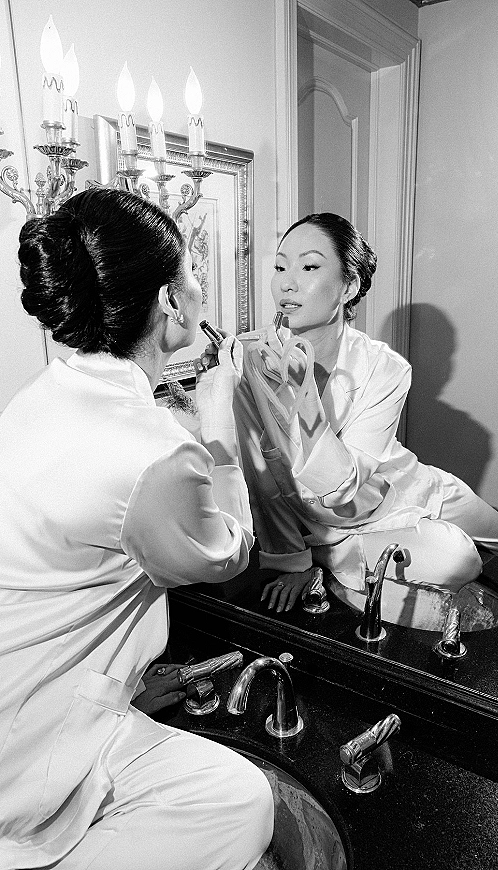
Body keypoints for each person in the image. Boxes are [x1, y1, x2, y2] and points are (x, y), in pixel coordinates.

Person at [0, 188, 273, 870]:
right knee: (244, 800)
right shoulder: (153, 450)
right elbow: (228, 552)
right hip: (30, 746)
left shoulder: (37, 397)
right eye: (192, 272)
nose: (200, 287)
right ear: (169, 301)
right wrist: (218, 423)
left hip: (28, 686)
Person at [233, 212, 498, 614]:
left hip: (398, 484)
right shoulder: (252, 361)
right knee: (459, 558)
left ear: (349, 286)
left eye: (309, 266)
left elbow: (348, 481)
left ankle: (356, 559)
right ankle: (332, 557)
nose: (286, 282)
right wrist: (293, 560)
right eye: (280, 266)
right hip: (330, 520)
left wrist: (305, 395)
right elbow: (262, 475)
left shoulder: (387, 368)